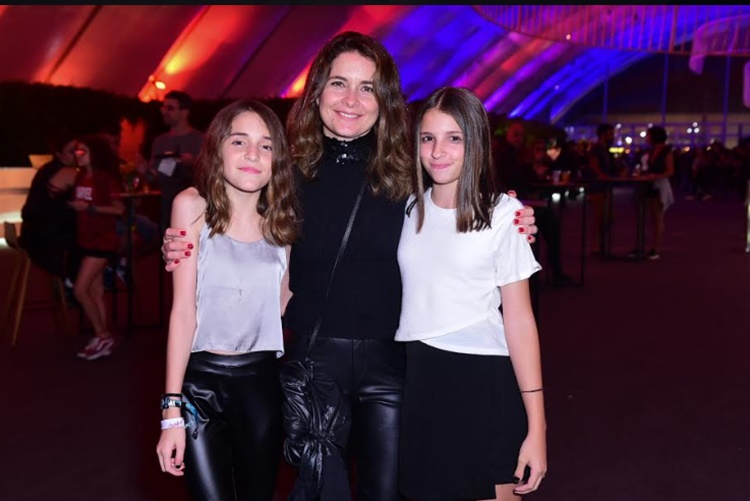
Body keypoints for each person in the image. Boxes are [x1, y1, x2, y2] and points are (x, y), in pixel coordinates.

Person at [160, 31, 538, 501]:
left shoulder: (409, 171)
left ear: (385, 99)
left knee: (388, 492)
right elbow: (227, 215)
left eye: (367, 87)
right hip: (314, 365)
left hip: (392, 366)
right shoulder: (285, 171)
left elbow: (460, 207)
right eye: (339, 83)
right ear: (318, 89)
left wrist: (513, 217)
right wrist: (178, 240)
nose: (351, 100)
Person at [396, 86, 546, 501]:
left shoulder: (503, 214)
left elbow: (520, 320)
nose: (438, 151)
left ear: (475, 142)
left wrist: (537, 426)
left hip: (485, 383)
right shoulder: (408, 208)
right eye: (428, 138)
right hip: (422, 383)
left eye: (454, 138)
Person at [155, 98, 300, 500]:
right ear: (217, 148)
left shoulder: (283, 223)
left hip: (261, 385)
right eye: (239, 141)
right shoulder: (191, 207)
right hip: (199, 386)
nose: (253, 154)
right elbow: (182, 312)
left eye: (266, 145)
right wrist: (171, 411)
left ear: (277, 159)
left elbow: (285, 306)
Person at [64, 134, 125, 360]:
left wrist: (89, 209)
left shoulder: (104, 178)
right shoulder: (81, 176)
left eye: (83, 151)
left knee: (80, 290)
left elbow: (119, 209)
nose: (78, 155)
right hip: (87, 239)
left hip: (102, 240)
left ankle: (102, 334)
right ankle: (102, 338)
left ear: (94, 154)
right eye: (76, 151)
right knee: (96, 291)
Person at [494, 119, 574, 285]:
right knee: (548, 224)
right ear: (508, 135)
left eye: (521, 135)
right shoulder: (505, 154)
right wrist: (533, 172)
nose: (519, 138)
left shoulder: (515, 153)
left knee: (547, 223)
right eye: (516, 135)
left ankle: (541, 274)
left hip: (516, 202)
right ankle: (546, 274)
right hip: (511, 205)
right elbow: (515, 178)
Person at [19, 129, 81, 286]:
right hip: (46, 239)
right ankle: (78, 281)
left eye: (79, 150)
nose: (77, 155)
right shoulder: (69, 172)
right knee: (93, 239)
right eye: (72, 151)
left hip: (33, 234)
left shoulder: (47, 169)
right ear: (59, 154)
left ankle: (78, 281)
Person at [144, 90, 205, 230]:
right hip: (167, 207)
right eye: (163, 108)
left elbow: (213, 174)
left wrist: (193, 163)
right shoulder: (160, 141)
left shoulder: (200, 139)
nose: (164, 112)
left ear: (185, 112)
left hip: (195, 209)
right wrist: (144, 171)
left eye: (170, 108)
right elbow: (153, 177)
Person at [636, 125, 675, 260]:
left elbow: (670, 171)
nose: (646, 138)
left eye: (648, 135)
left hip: (659, 185)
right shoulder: (651, 151)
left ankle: (656, 247)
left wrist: (655, 176)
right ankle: (648, 245)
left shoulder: (666, 151)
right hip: (650, 184)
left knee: (657, 217)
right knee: (651, 216)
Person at [586, 123, 617, 255]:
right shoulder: (597, 148)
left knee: (607, 216)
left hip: (605, 185)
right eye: (610, 134)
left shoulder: (605, 148)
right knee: (599, 216)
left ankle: (600, 243)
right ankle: (596, 244)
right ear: (603, 135)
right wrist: (601, 175)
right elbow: (593, 164)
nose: (613, 136)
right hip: (598, 186)